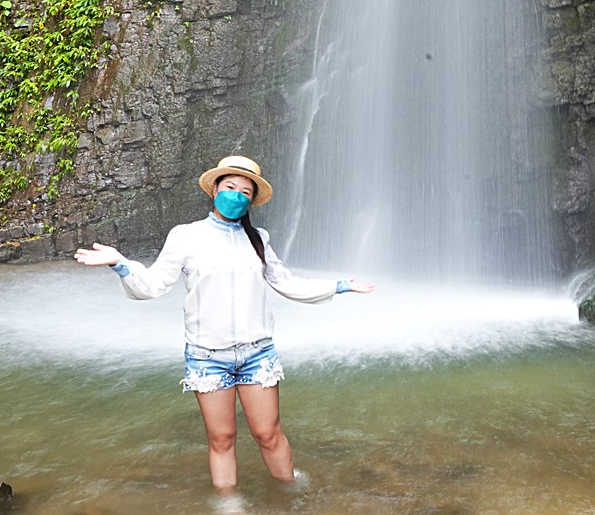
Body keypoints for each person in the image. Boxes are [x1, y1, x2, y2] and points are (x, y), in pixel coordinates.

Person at [74, 155, 373, 496]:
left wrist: (338, 285)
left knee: (268, 433)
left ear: (251, 201)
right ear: (214, 189)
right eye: (230, 187)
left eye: (245, 192)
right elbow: (153, 285)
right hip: (207, 356)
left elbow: (287, 283)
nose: (236, 196)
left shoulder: (258, 238)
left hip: (257, 354)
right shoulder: (186, 236)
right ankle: (228, 504)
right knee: (221, 437)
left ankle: (293, 492)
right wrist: (121, 264)